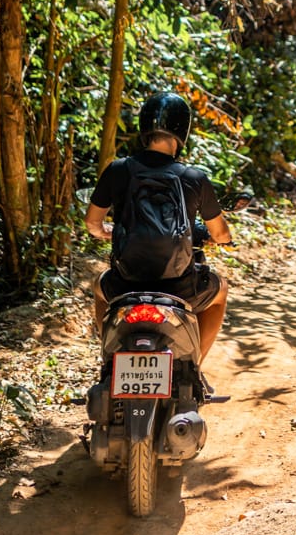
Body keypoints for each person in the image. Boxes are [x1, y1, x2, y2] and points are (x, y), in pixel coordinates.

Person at [84, 91, 240, 365]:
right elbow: (220, 234)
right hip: (180, 287)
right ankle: (195, 366)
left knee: (98, 286)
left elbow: (92, 223)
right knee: (221, 290)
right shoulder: (193, 177)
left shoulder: (118, 170)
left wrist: (105, 232)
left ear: (144, 127)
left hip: (124, 285)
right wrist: (222, 240)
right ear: (182, 131)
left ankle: (109, 358)